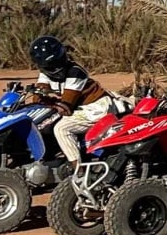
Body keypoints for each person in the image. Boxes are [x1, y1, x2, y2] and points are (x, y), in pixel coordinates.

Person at [26, 36, 120, 167]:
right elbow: (38, 97)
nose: (55, 66)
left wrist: (49, 101)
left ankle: (77, 169)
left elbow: (66, 106)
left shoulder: (76, 72)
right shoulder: (46, 72)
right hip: (79, 108)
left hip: (95, 108)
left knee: (61, 128)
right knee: (42, 121)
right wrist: (40, 95)